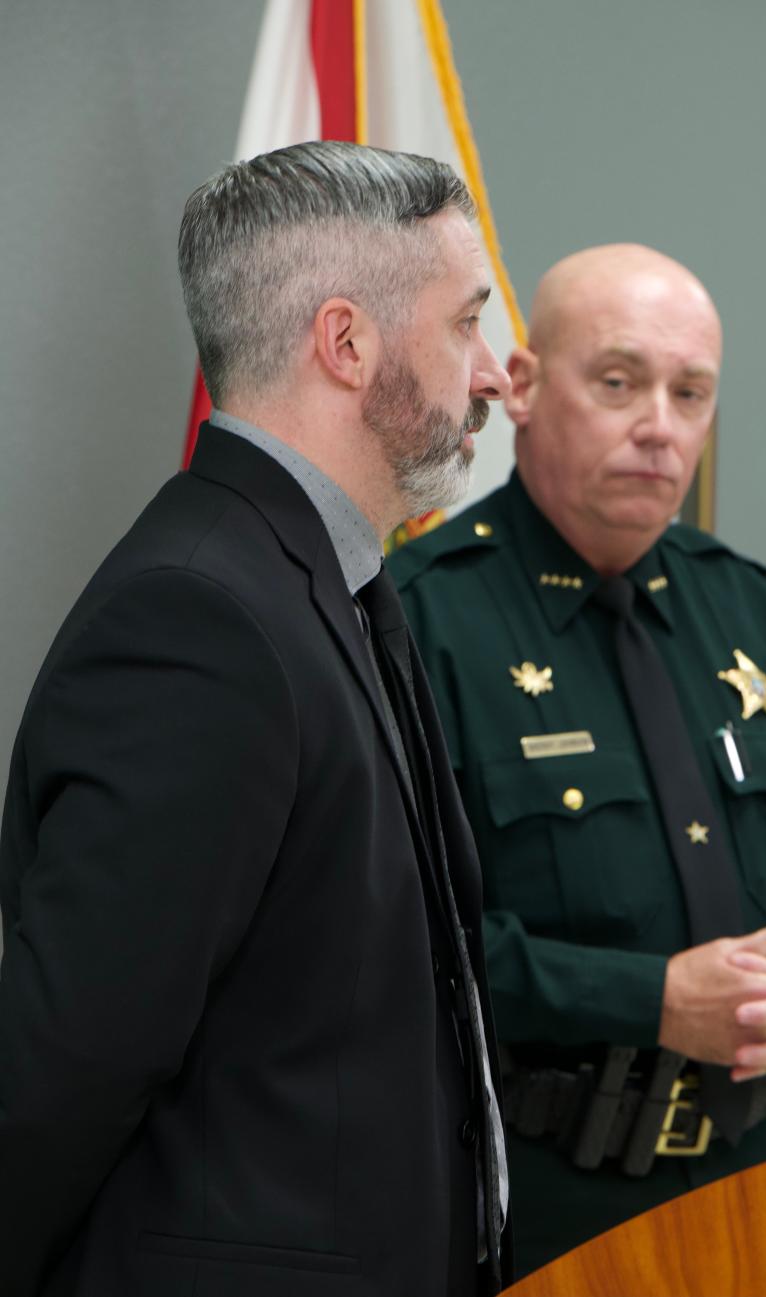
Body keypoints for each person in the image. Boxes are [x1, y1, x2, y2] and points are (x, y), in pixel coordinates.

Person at [0, 140, 513, 1297]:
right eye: (466, 321)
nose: (493, 369)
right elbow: (70, 1063)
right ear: (346, 343)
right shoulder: (201, 618)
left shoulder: (324, 582)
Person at [388, 244, 766, 1276]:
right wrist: (652, 1000)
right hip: (542, 1201)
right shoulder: (420, 620)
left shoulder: (752, 606)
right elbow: (392, 943)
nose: (659, 427)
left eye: (691, 393)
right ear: (528, 387)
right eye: (620, 381)